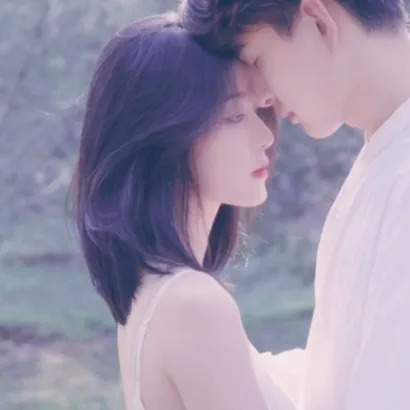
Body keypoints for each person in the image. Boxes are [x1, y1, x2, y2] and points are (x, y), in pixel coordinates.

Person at [180, 0, 410, 409]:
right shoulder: (384, 155)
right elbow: (338, 376)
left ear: (318, 21)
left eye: (257, 59)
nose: (263, 96)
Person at [72, 12, 295, 410]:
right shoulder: (194, 306)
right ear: (165, 135)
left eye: (260, 111)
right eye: (235, 115)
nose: (265, 136)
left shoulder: (154, 293)